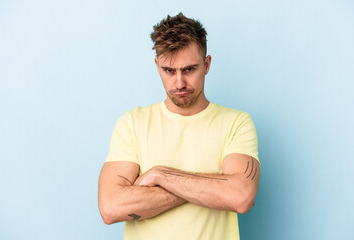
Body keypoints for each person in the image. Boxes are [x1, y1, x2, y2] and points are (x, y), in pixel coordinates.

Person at [98, 12, 260, 240]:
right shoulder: (133, 123)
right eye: (169, 71)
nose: (179, 83)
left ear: (207, 64)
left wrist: (161, 175)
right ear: (157, 66)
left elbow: (240, 198)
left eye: (189, 69)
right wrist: (214, 186)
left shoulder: (236, 123)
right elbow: (111, 207)